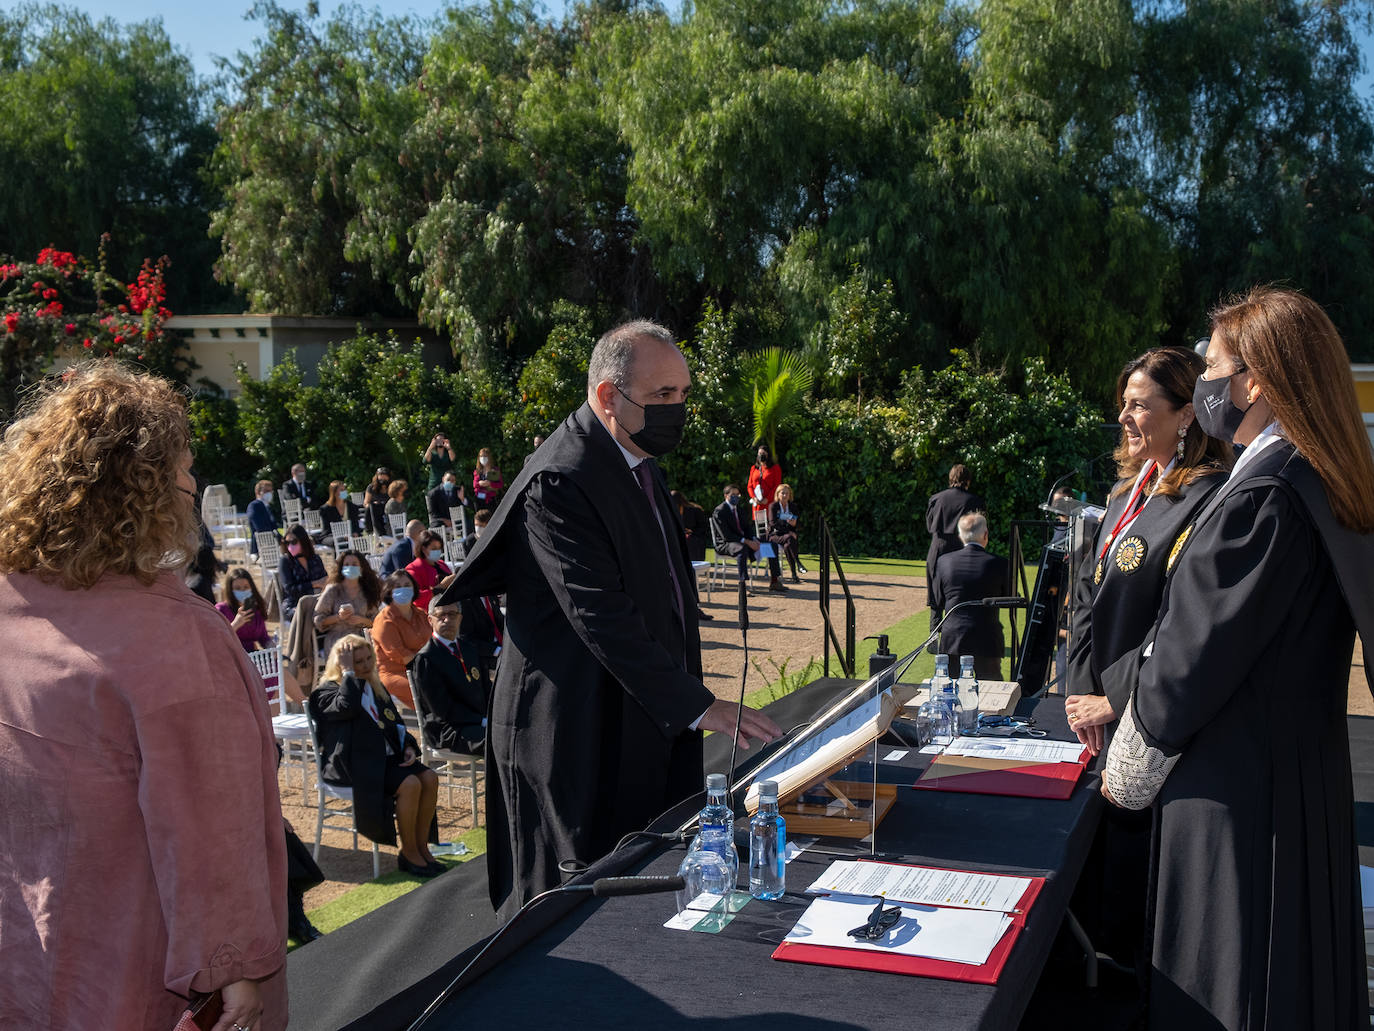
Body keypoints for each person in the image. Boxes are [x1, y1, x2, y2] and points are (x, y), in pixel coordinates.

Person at [1098, 287, 1374, 1029]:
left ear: (1254, 381)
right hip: (1291, 789)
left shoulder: (1265, 495)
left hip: (1241, 807)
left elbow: (1186, 667)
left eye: (1214, 364)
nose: (1207, 380)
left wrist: (1121, 774)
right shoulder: (1310, 478)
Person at [438, 319, 780, 915]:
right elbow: (602, 618)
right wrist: (701, 706)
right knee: (574, 907)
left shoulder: (637, 460)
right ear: (606, 396)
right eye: (662, 397)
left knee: (650, 880)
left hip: (639, 713)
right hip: (574, 728)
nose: (677, 409)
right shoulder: (561, 481)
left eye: (682, 395)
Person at [0, 362, 286, 1031]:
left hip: (24, 956)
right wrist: (237, 972)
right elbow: (209, 829)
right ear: (144, 487)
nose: (192, 483)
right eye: (184, 466)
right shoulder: (176, 643)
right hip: (134, 969)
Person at [1065, 347, 1231, 756]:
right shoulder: (1125, 494)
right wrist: (1082, 689)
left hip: (1152, 721)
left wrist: (1115, 698)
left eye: (1138, 406)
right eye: (1124, 404)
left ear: (1186, 415)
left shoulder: (1210, 497)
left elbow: (1184, 619)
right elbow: (1088, 590)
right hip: (1096, 719)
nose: (1123, 417)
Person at [308, 634, 443, 878]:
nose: (367, 665)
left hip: (385, 758)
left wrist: (408, 746)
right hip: (356, 764)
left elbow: (395, 723)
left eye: (369, 658)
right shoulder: (326, 692)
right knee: (410, 784)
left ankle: (422, 847)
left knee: (430, 777)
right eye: (358, 661)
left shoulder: (374, 685)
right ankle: (409, 853)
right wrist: (349, 674)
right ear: (342, 664)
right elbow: (345, 707)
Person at [928, 512, 1010, 679]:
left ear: (960, 535)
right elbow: (1008, 598)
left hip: (953, 638)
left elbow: (938, 599)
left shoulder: (944, 561)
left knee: (949, 690)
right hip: (987, 638)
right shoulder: (1000, 563)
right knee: (991, 693)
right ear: (985, 535)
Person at [412, 597, 490, 755]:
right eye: (441, 615)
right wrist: (482, 721)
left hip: (478, 721)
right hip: (448, 729)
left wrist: (495, 717)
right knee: (498, 740)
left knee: (515, 733)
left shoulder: (470, 649)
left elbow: (487, 689)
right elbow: (443, 709)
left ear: (460, 618)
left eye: (452, 614)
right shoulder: (426, 658)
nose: (447, 619)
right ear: (430, 620)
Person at [925, 463, 984, 626]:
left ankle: (934, 633)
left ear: (951, 478)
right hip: (962, 548)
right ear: (968, 480)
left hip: (938, 547)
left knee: (937, 592)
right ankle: (957, 631)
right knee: (960, 592)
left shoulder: (936, 498)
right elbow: (980, 529)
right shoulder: (974, 501)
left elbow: (930, 526)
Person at [372, 570, 431, 709]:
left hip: (424, 668)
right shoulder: (385, 620)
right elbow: (400, 656)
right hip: (396, 673)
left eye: (407, 585)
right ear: (389, 591)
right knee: (433, 686)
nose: (403, 589)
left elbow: (434, 642)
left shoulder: (421, 614)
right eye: (397, 586)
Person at [713, 483, 786, 591]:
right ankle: (743, 585)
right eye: (733, 495)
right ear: (726, 496)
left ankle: (774, 581)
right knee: (742, 548)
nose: (736, 497)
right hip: (725, 543)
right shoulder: (720, 511)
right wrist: (747, 542)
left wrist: (753, 539)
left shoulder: (739, 509)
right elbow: (726, 535)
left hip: (743, 541)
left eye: (738, 495)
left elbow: (747, 528)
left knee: (772, 545)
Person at [313, 549, 382, 657]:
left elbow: (376, 621)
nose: (350, 567)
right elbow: (318, 619)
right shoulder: (333, 590)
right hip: (337, 640)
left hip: (362, 639)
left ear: (361, 568)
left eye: (354, 564)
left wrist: (361, 620)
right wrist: (338, 618)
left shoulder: (367, 591)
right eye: (347, 564)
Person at [278, 522, 328, 625]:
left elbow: (325, 580)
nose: (290, 546)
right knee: (309, 616)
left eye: (294, 542)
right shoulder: (285, 561)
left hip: (317, 601)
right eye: (287, 543)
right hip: (293, 605)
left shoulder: (315, 559)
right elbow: (290, 589)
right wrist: (314, 583)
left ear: (303, 541)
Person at [217, 567, 273, 652]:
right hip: (232, 658)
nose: (242, 591)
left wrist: (271, 646)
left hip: (253, 657)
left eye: (246, 587)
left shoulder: (256, 608)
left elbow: (263, 637)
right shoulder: (221, 610)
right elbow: (217, 640)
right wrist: (236, 624)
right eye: (238, 588)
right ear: (230, 590)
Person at [405, 528, 451, 612]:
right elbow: (416, 598)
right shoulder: (413, 569)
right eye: (433, 548)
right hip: (429, 613)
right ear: (423, 549)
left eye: (439, 548)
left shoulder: (441, 564)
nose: (437, 551)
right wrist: (440, 587)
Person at [767, 482, 805, 583]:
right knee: (790, 538)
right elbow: (773, 523)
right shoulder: (773, 506)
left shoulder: (793, 507)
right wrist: (788, 530)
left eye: (787, 493)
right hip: (774, 535)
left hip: (788, 536)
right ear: (778, 494)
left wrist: (794, 524)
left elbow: (799, 523)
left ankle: (793, 573)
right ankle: (797, 563)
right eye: (782, 493)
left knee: (788, 544)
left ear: (790, 495)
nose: (784, 495)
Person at [747, 445, 782, 520]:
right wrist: (754, 497)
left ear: (768, 455)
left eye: (763, 453)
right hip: (757, 504)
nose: (761, 455)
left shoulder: (775, 468)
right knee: (760, 527)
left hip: (769, 503)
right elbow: (749, 486)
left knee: (771, 525)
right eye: (759, 453)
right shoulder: (754, 468)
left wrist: (767, 499)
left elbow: (777, 486)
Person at [246, 478, 280, 556]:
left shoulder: (267, 506)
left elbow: (274, 525)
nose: (270, 494)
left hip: (272, 542)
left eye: (270, 491)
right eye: (266, 491)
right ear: (258, 492)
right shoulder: (254, 505)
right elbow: (259, 527)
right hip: (262, 544)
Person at [362, 467, 392, 534]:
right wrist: (374, 504)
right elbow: (366, 503)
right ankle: (379, 532)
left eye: (385, 477)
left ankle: (379, 532)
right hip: (375, 510)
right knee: (372, 507)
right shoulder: (371, 487)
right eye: (381, 478)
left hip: (388, 508)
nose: (383, 480)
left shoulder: (391, 487)